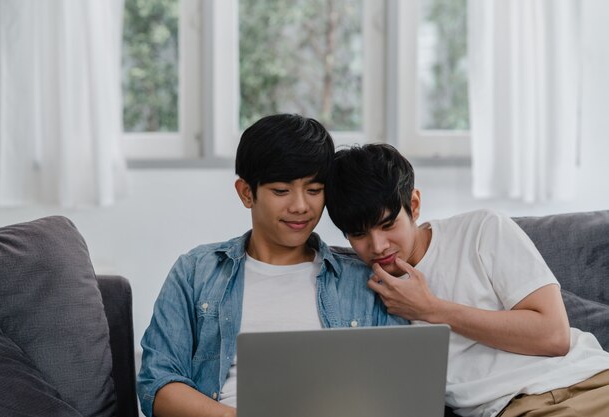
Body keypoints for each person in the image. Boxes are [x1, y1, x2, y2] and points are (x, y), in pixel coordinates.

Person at [137, 115, 404, 417]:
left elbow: (400, 386)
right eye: (281, 191)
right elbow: (156, 384)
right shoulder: (196, 271)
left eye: (314, 190)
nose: (301, 206)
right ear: (246, 193)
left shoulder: (360, 277)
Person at [324, 143, 609, 417]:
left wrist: (430, 309)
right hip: (525, 408)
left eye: (388, 225)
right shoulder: (358, 296)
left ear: (414, 204)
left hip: (593, 380)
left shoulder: (481, 230)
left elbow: (554, 336)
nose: (378, 246)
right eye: (359, 235)